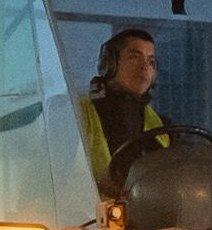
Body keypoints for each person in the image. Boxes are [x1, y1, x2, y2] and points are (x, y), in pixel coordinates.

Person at [79, 26, 184, 195]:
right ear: (109, 64)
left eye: (151, 61)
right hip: (86, 211)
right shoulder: (77, 113)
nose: (144, 66)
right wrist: (95, 184)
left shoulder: (165, 127)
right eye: (134, 57)